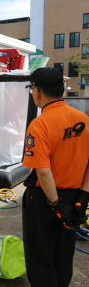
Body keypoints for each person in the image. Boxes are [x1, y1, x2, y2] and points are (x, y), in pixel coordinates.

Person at [22, 67, 89, 287]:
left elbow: (43, 170)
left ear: (37, 92)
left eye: (31, 89)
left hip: (45, 200)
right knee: (63, 255)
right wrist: (82, 198)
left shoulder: (40, 124)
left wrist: (57, 205)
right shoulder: (84, 120)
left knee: (41, 259)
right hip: (74, 198)